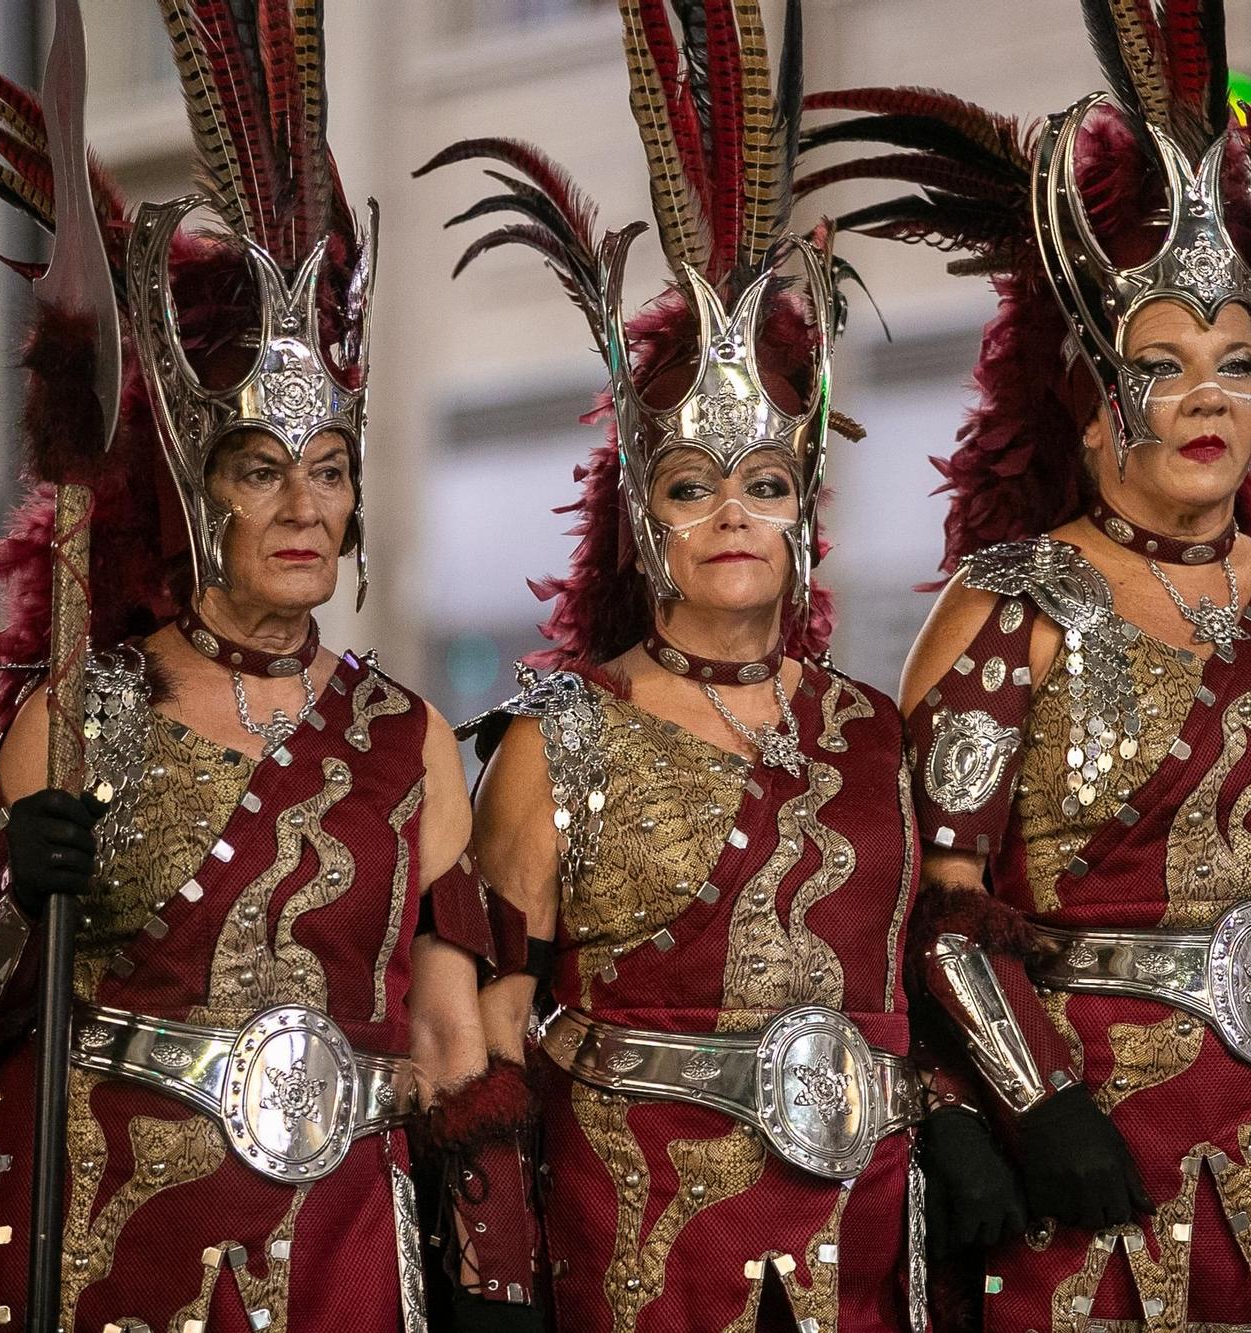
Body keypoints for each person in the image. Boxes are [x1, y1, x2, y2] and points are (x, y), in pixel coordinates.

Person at [796, 2, 1251, 1327]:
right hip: (1087, 1149)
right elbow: (934, 899)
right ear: (1095, 405)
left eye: (1236, 366)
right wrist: (1040, 1103)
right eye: (1165, 367)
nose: (1208, 398)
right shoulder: (1010, 600)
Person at [0, 7, 493, 1329]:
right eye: (263, 472)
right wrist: (19, 908)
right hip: (119, 1233)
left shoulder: (410, 732)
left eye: (328, 472)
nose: (304, 505)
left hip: (342, 1242)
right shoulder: (83, 708)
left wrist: (486, 1263)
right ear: (197, 496)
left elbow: (450, 1042)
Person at [414, 4, 926, 1329]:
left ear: (805, 510)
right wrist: (502, 1261)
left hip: (858, 1230)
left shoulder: (878, 729)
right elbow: (498, 1019)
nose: (734, 517)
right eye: (695, 487)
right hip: (638, 1236)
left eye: (764, 483)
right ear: (645, 521)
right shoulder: (560, 734)